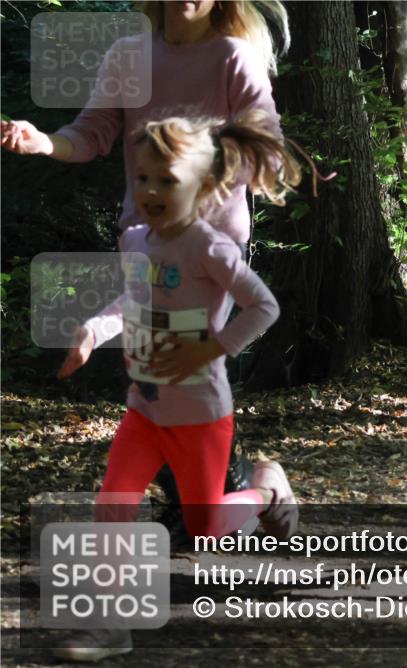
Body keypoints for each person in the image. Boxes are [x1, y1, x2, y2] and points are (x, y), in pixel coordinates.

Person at [1, 0, 291, 525]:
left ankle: (232, 492)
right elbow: (90, 134)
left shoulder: (232, 56)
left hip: (211, 248)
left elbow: (266, 148)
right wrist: (45, 142)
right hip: (145, 242)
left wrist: (200, 171)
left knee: (186, 375)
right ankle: (222, 492)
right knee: (154, 377)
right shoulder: (128, 56)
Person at [54, 110, 301, 662]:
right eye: (142, 179)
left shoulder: (209, 248)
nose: (151, 191)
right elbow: (132, 304)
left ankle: (266, 491)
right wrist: (94, 331)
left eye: (168, 181)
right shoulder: (135, 240)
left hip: (201, 413)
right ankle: (110, 626)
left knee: (207, 527)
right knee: (111, 508)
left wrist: (211, 347)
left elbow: (264, 305)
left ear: (204, 186)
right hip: (144, 409)